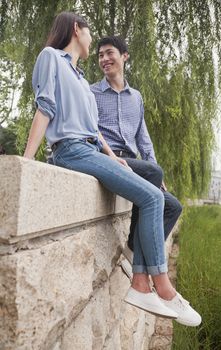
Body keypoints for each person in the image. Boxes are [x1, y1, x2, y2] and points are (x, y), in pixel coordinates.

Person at [23, 11, 201, 327]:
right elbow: (45, 107)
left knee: (157, 196)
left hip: (90, 149)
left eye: (109, 51)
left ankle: (142, 282)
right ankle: (159, 285)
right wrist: (26, 159)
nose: (94, 44)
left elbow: (93, 128)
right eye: (91, 36)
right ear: (77, 30)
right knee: (153, 199)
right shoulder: (51, 57)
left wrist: (112, 156)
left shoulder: (77, 75)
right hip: (69, 151)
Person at [91, 36, 182, 275]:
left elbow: (143, 138)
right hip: (108, 159)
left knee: (173, 207)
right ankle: (137, 257)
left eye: (109, 53)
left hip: (133, 163)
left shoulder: (136, 97)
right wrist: (152, 170)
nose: (104, 59)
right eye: (100, 55)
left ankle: (132, 248)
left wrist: (153, 167)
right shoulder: (92, 93)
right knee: (152, 172)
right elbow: (91, 131)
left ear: (124, 56)